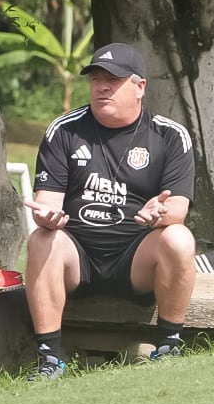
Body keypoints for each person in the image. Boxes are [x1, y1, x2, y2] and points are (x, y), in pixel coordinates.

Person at [23, 42, 197, 380]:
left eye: (113, 80)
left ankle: (168, 344)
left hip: (135, 259)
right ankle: (49, 358)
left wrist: (159, 214)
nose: (102, 87)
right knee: (42, 239)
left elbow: (177, 208)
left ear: (140, 87)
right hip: (79, 257)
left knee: (178, 238)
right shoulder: (65, 130)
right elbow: (47, 202)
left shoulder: (169, 135)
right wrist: (48, 217)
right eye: (96, 79)